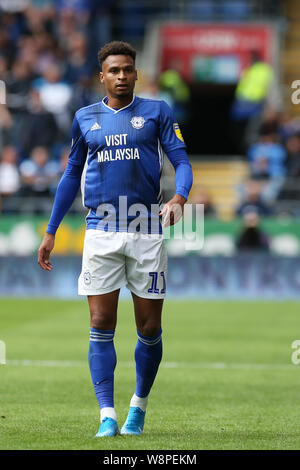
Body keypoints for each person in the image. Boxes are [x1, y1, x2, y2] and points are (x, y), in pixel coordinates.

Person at [38, 41, 193, 437]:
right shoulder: (85, 118)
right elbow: (71, 175)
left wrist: (179, 196)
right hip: (101, 232)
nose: (122, 76)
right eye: (114, 71)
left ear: (136, 73)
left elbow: (181, 161)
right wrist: (52, 231)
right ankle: (107, 415)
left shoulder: (158, 112)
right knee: (100, 321)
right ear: (101, 76)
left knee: (149, 328)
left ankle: (137, 406)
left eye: (128, 69)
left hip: (147, 232)